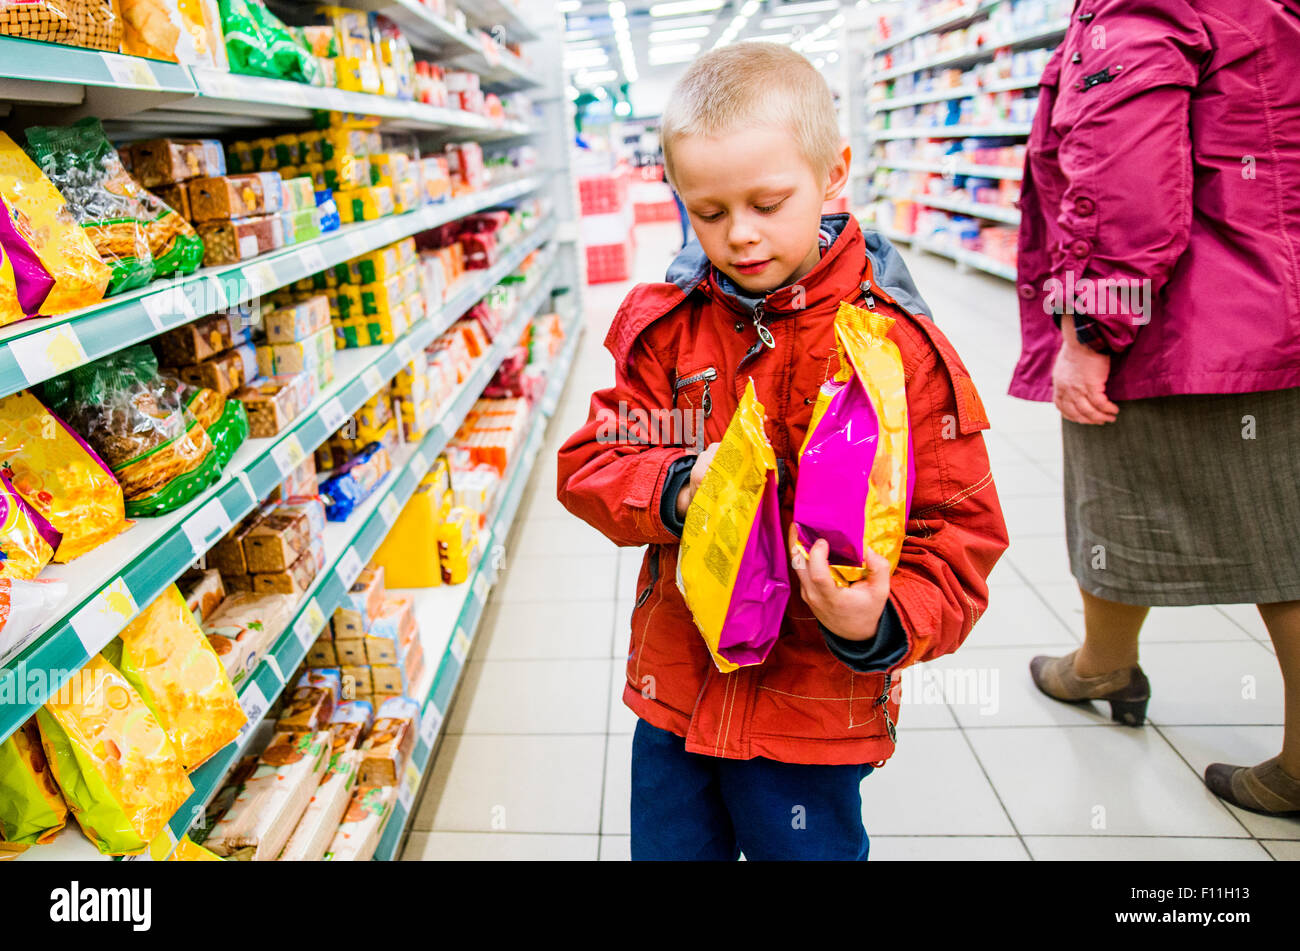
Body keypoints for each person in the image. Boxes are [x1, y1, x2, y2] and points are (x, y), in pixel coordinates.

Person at [556, 42, 1009, 861]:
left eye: (769, 202)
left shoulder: (897, 350)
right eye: (710, 211)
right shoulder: (673, 330)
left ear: (834, 172)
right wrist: (678, 484)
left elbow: (961, 532)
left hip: (815, 705)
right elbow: (593, 459)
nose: (741, 236)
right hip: (678, 692)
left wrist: (882, 618)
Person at [1010, 0, 1300, 817]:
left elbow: (1121, 175)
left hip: (1194, 314)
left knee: (1276, 544)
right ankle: (1104, 663)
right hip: (1269, 294)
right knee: (1256, 517)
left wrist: (1095, 325)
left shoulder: (1140, 5)